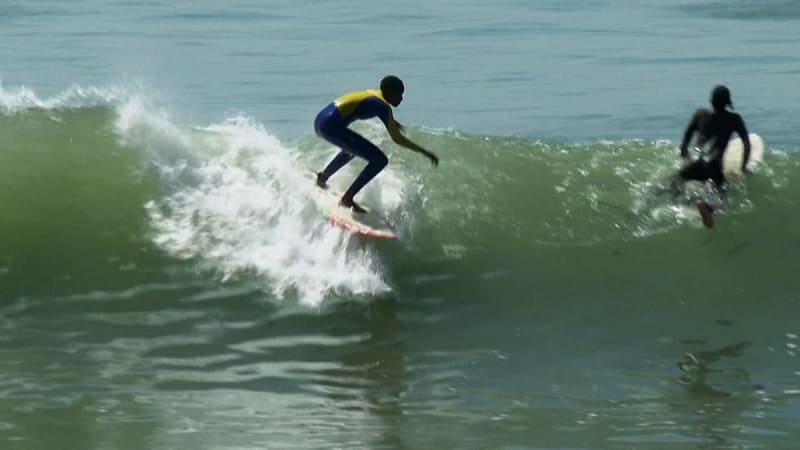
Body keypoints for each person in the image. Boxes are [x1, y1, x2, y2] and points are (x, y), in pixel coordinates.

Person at [313, 75, 438, 213]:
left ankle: (323, 177)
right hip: (331, 126)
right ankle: (347, 199)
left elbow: (370, 107)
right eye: (399, 94)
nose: (401, 99)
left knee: (354, 148)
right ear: (389, 91)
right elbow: (397, 139)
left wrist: (393, 122)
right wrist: (423, 151)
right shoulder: (382, 105)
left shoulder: (373, 95)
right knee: (380, 160)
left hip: (320, 121)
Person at [677, 85, 750, 228]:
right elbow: (747, 144)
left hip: (696, 164)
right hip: (714, 166)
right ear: (727, 102)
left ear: (711, 101)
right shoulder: (734, 119)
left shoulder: (699, 114)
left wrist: (685, 157)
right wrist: (743, 167)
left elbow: (686, 139)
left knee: (676, 187)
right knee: (722, 204)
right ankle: (708, 208)